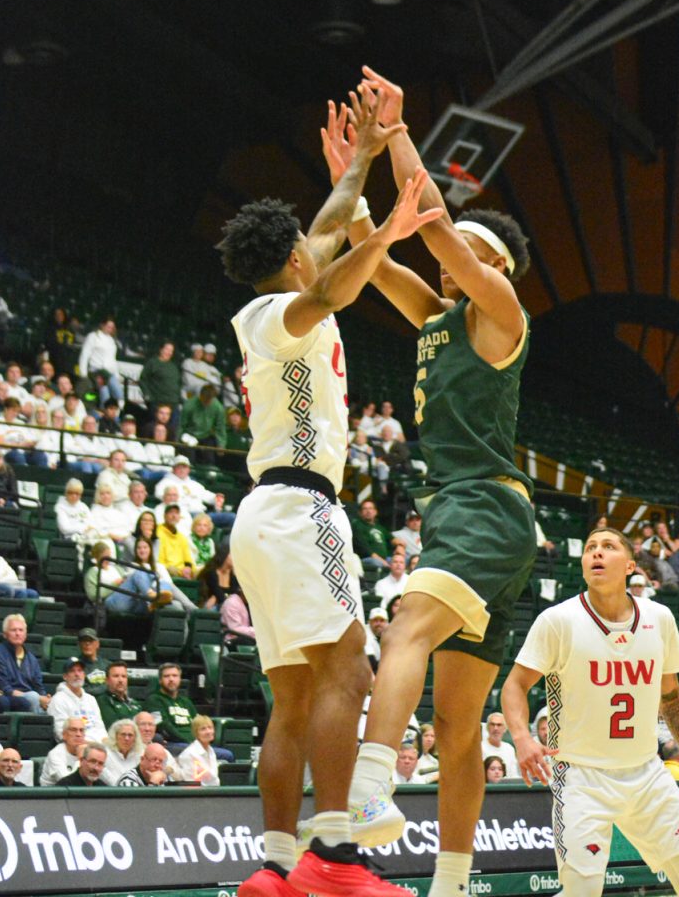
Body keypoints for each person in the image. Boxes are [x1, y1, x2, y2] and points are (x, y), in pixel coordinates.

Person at [326, 71, 536, 897]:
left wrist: (401, 135)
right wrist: (352, 183)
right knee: (456, 725)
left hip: (485, 509)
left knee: (407, 623)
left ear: (497, 269)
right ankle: (452, 882)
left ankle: (371, 793)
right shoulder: (438, 316)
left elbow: (439, 228)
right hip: (467, 516)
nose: (455, 265)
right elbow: (375, 254)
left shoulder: (502, 314)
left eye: (473, 257)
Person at [221, 89, 428, 897]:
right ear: (294, 260)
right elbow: (336, 284)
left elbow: (333, 223)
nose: (319, 243)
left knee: (293, 699)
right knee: (350, 671)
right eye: (310, 245)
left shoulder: (283, 291)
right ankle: (336, 854)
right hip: (303, 509)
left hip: (263, 518)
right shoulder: (279, 312)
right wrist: (384, 233)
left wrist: (367, 158)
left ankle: (275, 866)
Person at [501, 525, 679, 897]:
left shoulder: (660, 618)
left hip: (646, 772)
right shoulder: (558, 620)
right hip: (581, 776)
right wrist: (523, 738)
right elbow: (514, 685)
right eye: (590, 547)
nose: (596, 553)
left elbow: (670, 697)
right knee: (583, 890)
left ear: (630, 566)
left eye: (608, 546)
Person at [0, 613, 49, 713]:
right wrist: (37, 698)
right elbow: (4, 688)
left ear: (25, 634)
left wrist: (45, 698)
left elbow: (39, 686)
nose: (18, 633)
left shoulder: (31, 658)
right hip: (9, 699)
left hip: (32, 699)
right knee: (33, 698)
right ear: (5, 634)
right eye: (13, 630)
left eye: (21, 630)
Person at [47, 657, 108, 741]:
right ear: (65, 676)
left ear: (84, 674)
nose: (77, 674)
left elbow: (101, 728)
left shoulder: (91, 699)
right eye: (72, 671)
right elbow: (61, 733)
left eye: (80, 670)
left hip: (98, 746)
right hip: (76, 747)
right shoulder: (58, 700)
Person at [78, 317, 123, 406]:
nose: (109, 329)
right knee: (104, 393)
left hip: (109, 371)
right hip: (97, 370)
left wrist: (117, 374)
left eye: (111, 327)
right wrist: (83, 373)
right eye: (108, 326)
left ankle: (117, 413)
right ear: (102, 325)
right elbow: (85, 354)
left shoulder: (112, 340)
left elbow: (112, 359)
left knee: (118, 393)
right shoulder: (93, 336)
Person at [0, 528, 39, 597]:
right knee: (6, 589)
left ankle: (18, 608)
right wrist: (2, 576)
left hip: (3, 584)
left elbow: (13, 577)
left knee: (32, 593)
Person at [179, 383, 226, 463]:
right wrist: (178, 441)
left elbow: (220, 428)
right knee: (189, 460)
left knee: (209, 460)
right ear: (200, 396)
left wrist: (221, 445)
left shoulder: (218, 408)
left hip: (206, 436)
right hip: (190, 435)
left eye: (209, 400)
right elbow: (181, 425)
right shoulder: (189, 405)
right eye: (204, 399)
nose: (206, 402)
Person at [40, 717, 87, 785]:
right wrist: (80, 760)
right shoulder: (55, 754)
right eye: (73, 730)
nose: (78, 734)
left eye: (81, 730)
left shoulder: (89, 752)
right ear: (64, 735)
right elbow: (68, 783)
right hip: (54, 794)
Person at [140, 341, 181, 418]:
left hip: (173, 403)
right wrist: (147, 395)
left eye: (171, 351)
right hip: (157, 402)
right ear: (161, 350)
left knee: (174, 428)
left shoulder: (174, 366)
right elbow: (143, 380)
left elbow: (178, 383)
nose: (169, 352)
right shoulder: (152, 363)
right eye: (167, 349)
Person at [96, 661, 143, 728]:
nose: (120, 680)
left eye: (124, 676)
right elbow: (113, 726)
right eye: (116, 676)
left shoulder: (134, 703)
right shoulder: (103, 701)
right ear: (107, 680)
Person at [178, 714, 220, 786]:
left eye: (210, 727)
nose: (208, 732)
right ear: (196, 733)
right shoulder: (189, 754)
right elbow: (190, 783)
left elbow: (215, 780)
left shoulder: (211, 751)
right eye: (203, 729)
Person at [352, 498, 391, 570]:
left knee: (402, 560)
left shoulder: (379, 527)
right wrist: (383, 562)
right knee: (377, 563)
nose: (368, 511)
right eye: (365, 509)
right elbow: (366, 550)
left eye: (370, 508)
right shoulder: (357, 526)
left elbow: (392, 539)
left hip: (385, 558)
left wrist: (400, 546)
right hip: (368, 559)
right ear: (360, 513)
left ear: (375, 512)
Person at [199, 541, 239, 608]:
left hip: (229, 607)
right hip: (214, 606)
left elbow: (235, 595)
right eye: (232, 554)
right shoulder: (211, 573)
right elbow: (219, 595)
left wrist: (235, 576)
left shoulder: (233, 575)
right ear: (224, 555)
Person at [102, 718, 143, 784]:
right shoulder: (105, 754)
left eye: (130, 735)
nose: (127, 738)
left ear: (135, 738)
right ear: (115, 736)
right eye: (123, 734)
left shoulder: (140, 755)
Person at [480, 711, 518, 778]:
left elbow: (514, 775)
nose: (495, 728)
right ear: (487, 728)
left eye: (499, 725)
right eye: (492, 725)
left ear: (505, 729)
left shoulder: (509, 749)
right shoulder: (480, 748)